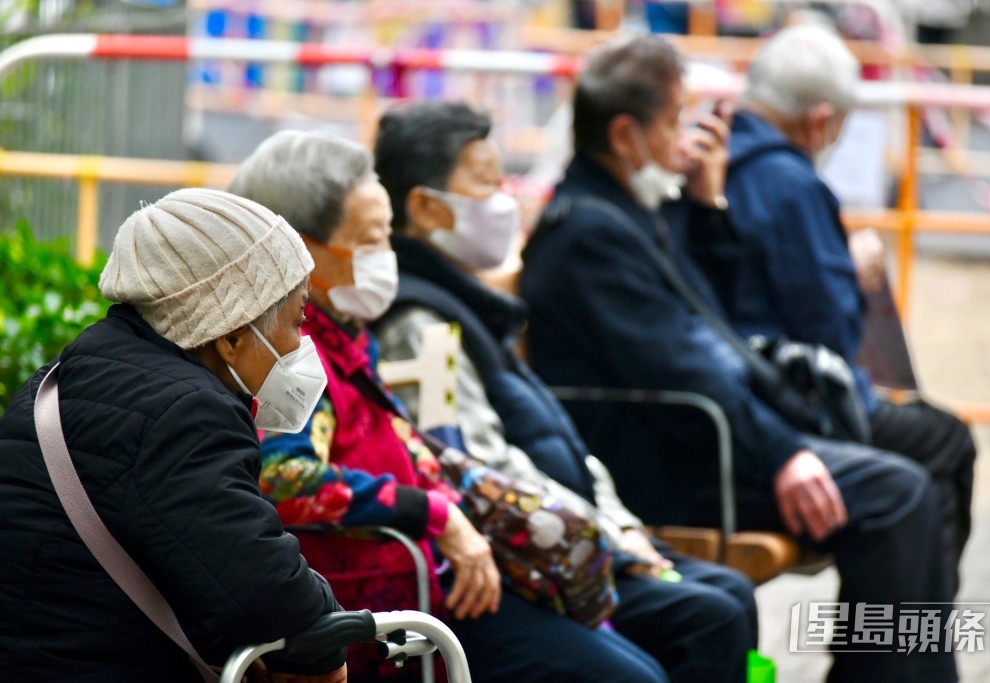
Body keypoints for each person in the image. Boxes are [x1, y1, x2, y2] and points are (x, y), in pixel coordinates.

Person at [517, 34, 957, 683]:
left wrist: (706, 204)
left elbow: (709, 322)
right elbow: (684, 364)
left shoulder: (628, 210)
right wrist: (782, 453)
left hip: (701, 434)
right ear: (626, 134)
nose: (686, 139)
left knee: (914, 475)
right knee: (897, 495)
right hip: (672, 456)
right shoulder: (592, 233)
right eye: (674, 121)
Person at [373, 99, 759, 683]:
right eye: (485, 182)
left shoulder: (471, 305)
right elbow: (483, 470)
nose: (505, 198)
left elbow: (564, 444)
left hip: (580, 534)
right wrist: (610, 542)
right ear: (425, 207)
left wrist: (624, 529)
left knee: (729, 592)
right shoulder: (418, 324)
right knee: (710, 617)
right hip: (540, 556)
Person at [0, 189, 347, 682]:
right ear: (230, 337)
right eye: (297, 319)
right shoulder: (187, 416)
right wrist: (328, 649)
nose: (302, 341)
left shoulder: (69, 374)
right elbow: (272, 598)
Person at [228, 131, 500, 680]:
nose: (385, 257)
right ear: (301, 250)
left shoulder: (348, 337)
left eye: (386, 238)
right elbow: (282, 476)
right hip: (364, 625)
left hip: (421, 597)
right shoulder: (292, 356)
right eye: (370, 240)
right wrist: (431, 511)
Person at [723, 24, 974, 594]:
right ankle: (901, 657)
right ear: (819, 119)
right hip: (785, 405)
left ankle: (893, 652)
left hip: (750, 394)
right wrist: (853, 272)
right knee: (939, 447)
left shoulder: (719, 161)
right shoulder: (789, 182)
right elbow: (831, 328)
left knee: (925, 452)